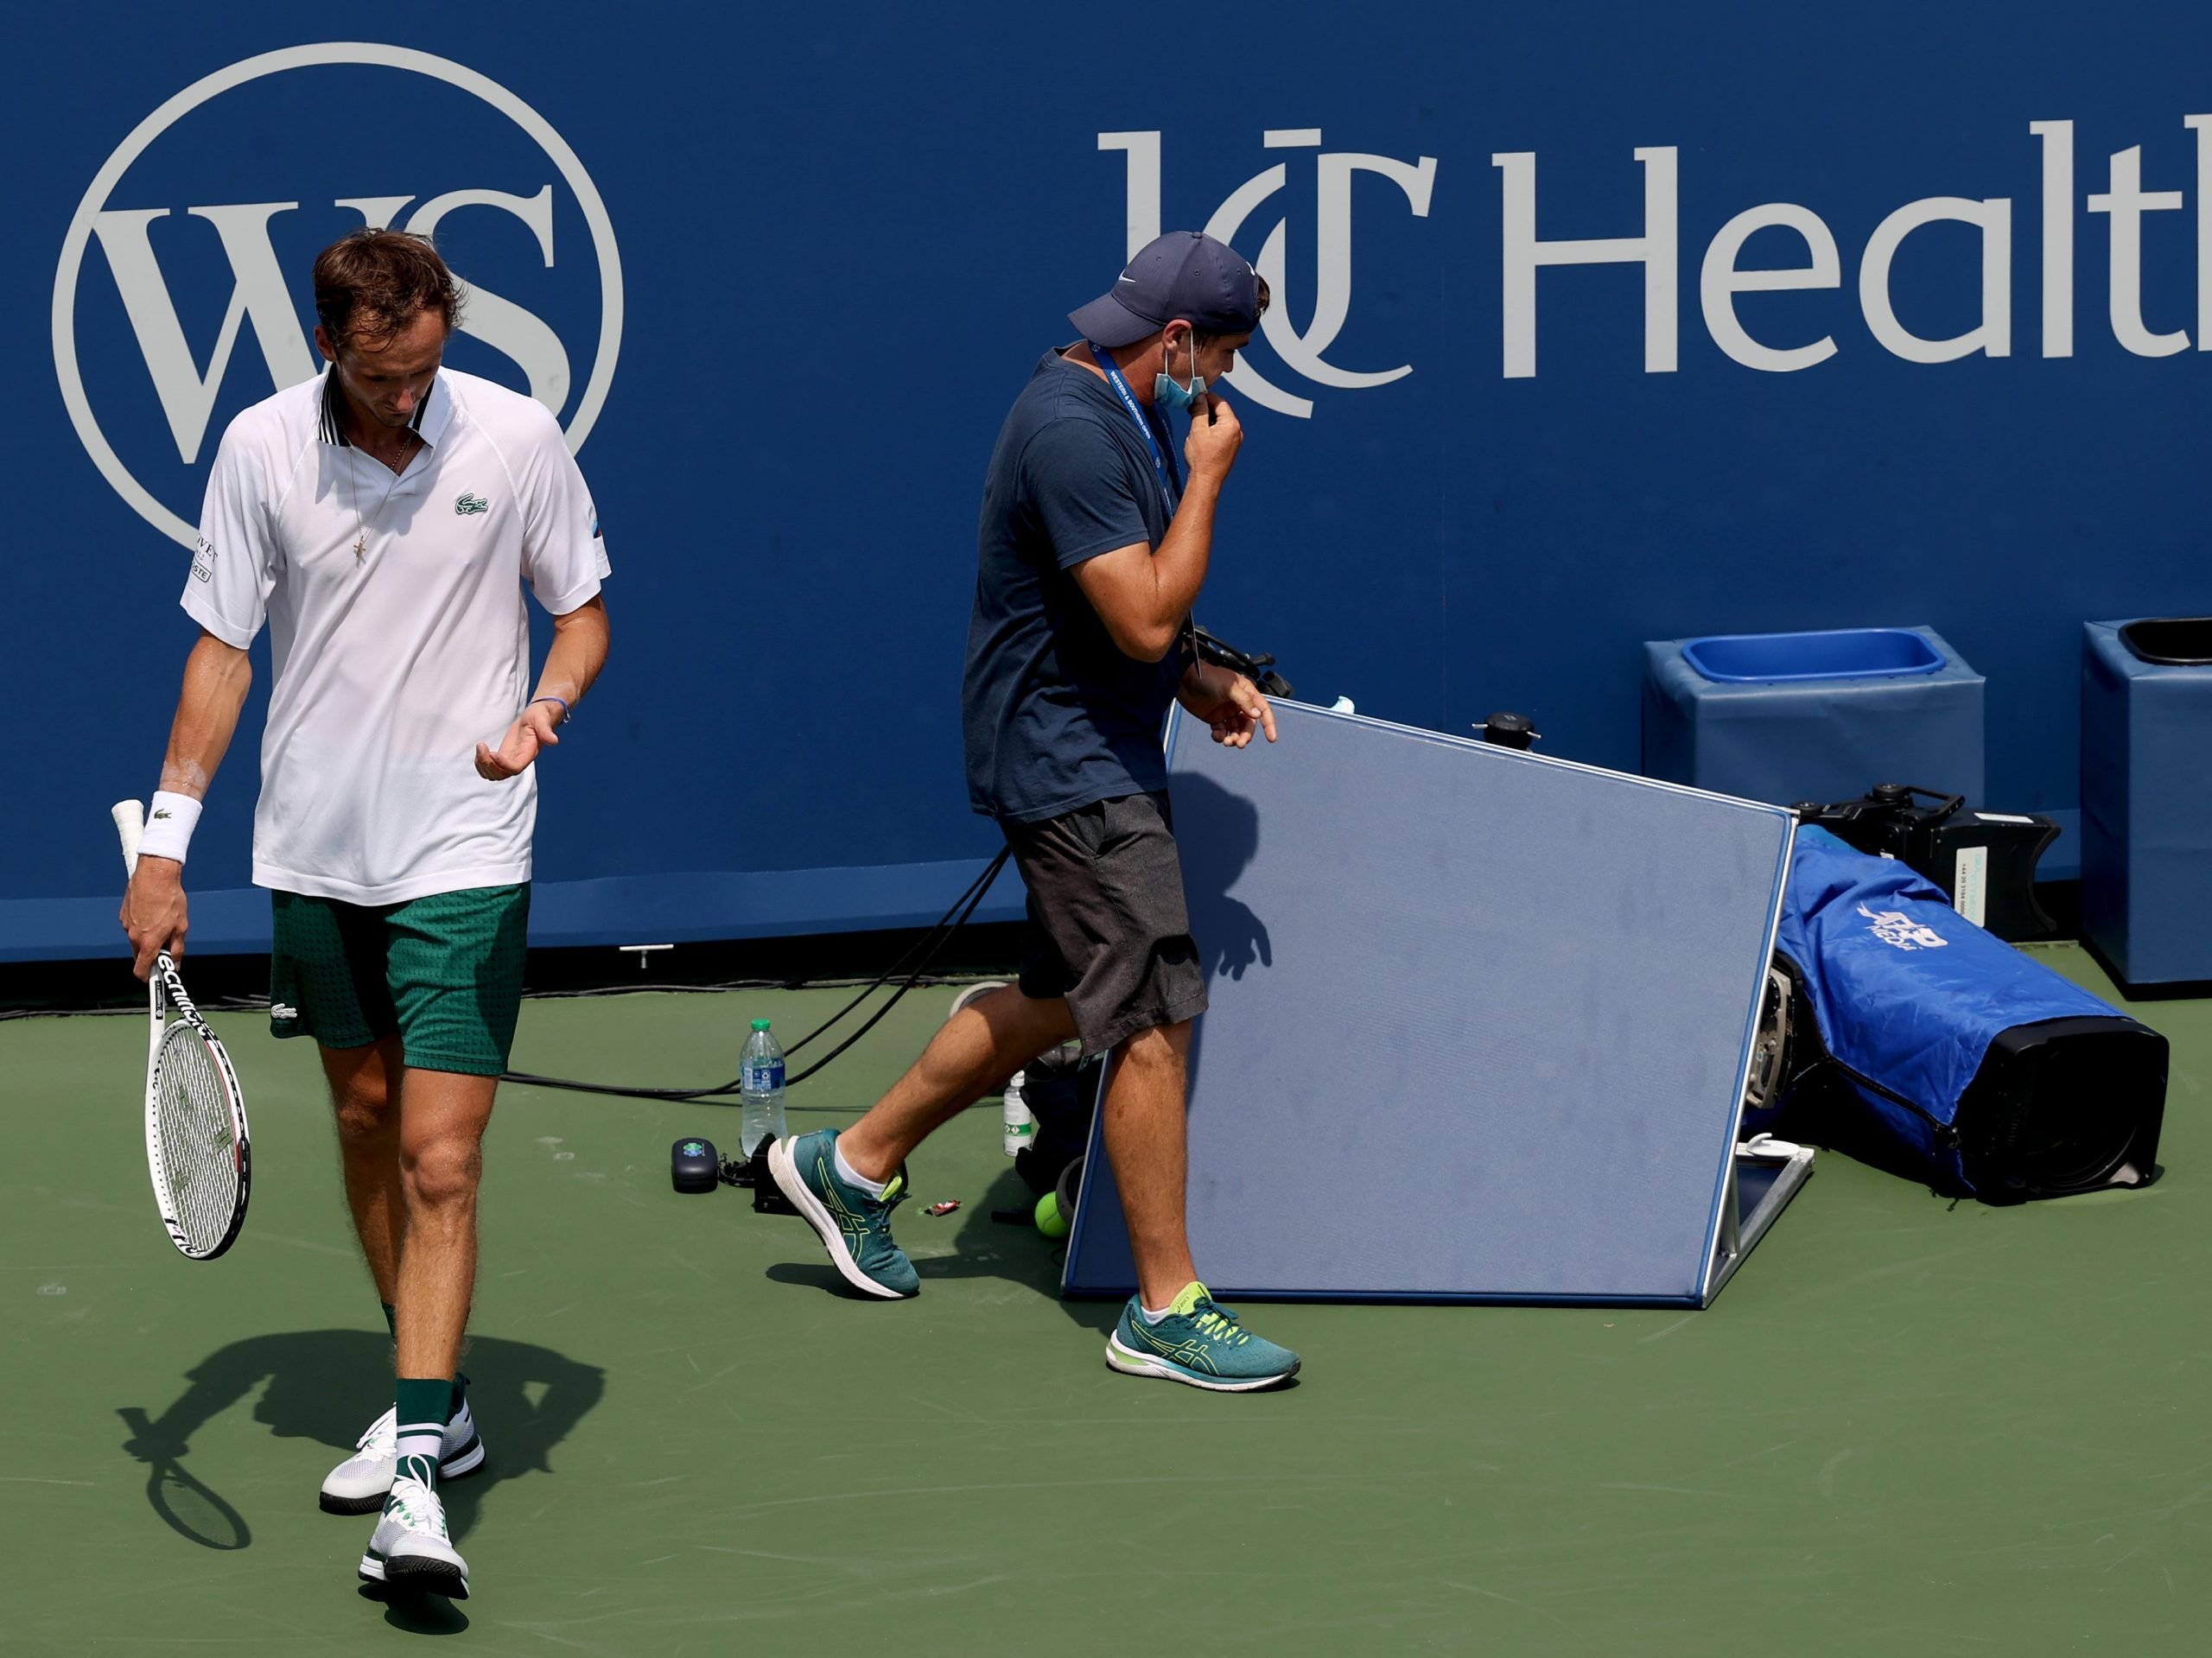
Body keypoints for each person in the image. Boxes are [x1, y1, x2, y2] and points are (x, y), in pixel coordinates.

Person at [118, 228, 611, 1598]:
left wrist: (544, 709)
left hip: (467, 842)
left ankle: (414, 1491)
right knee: (362, 1118)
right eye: (388, 376)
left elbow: (582, 614)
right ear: (333, 346)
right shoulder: (261, 448)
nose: (414, 396)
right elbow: (222, 655)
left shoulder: (512, 436)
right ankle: (430, 1387)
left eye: (431, 361)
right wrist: (167, 852)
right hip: (317, 853)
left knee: (440, 1161)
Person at [771, 231, 1300, 1391]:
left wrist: (1206, 680)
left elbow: (1136, 623)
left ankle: (851, 1165)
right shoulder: (1073, 429)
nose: (1222, 381)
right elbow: (1143, 620)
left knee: (1056, 1002)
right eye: (1218, 355)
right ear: (1173, 340)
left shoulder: (1114, 409)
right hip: (1072, 768)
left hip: (1082, 748)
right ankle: (1165, 1310)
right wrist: (1210, 484)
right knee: (1153, 1011)